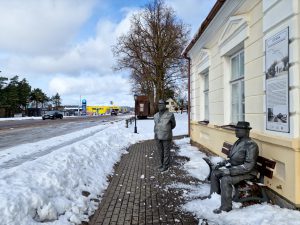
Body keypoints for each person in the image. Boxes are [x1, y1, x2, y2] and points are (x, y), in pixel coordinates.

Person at [209, 121, 259, 214]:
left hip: (248, 173)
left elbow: (248, 166)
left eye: (238, 130)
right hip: (237, 169)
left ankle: (226, 207)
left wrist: (229, 171)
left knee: (226, 179)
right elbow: (233, 159)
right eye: (236, 129)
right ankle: (214, 196)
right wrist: (223, 164)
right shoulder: (238, 142)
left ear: (246, 131)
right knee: (215, 172)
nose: (236, 131)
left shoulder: (251, 145)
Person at [154, 99, 176, 172]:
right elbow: (156, 125)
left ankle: (165, 165)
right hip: (157, 135)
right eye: (159, 104)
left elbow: (173, 125)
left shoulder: (170, 114)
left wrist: (167, 129)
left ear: (165, 105)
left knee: (166, 152)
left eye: (162, 104)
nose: (160, 106)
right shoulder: (156, 115)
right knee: (160, 151)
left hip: (166, 136)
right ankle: (161, 163)